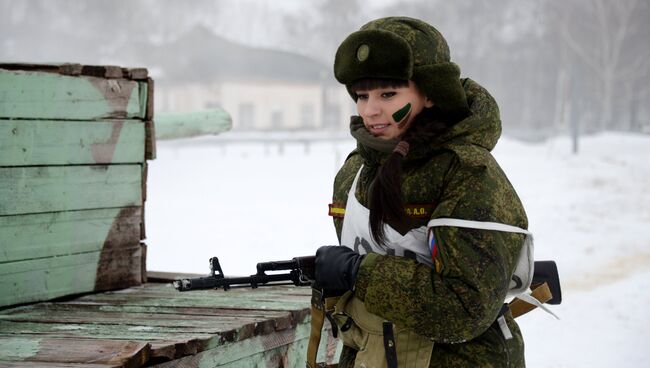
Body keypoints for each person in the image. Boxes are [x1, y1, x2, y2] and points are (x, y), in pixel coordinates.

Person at [313, 16, 530, 367]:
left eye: (388, 93)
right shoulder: (355, 172)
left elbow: (465, 309)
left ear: (429, 93)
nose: (370, 110)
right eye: (361, 95)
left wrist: (360, 273)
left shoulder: (467, 174)